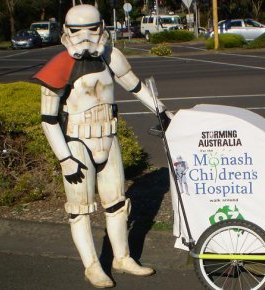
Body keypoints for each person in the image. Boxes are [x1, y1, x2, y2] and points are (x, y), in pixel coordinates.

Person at [32, 4, 171, 288]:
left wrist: (163, 112)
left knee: (117, 203)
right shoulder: (60, 66)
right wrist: (65, 158)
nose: (85, 36)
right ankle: (92, 265)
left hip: (108, 137)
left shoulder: (111, 56)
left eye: (91, 29)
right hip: (76, 141)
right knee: (80, 208)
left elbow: (135, 86)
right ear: (66, 32)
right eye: (77, 30)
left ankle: (121, 257)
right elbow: (48, 119)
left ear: (102, 27)